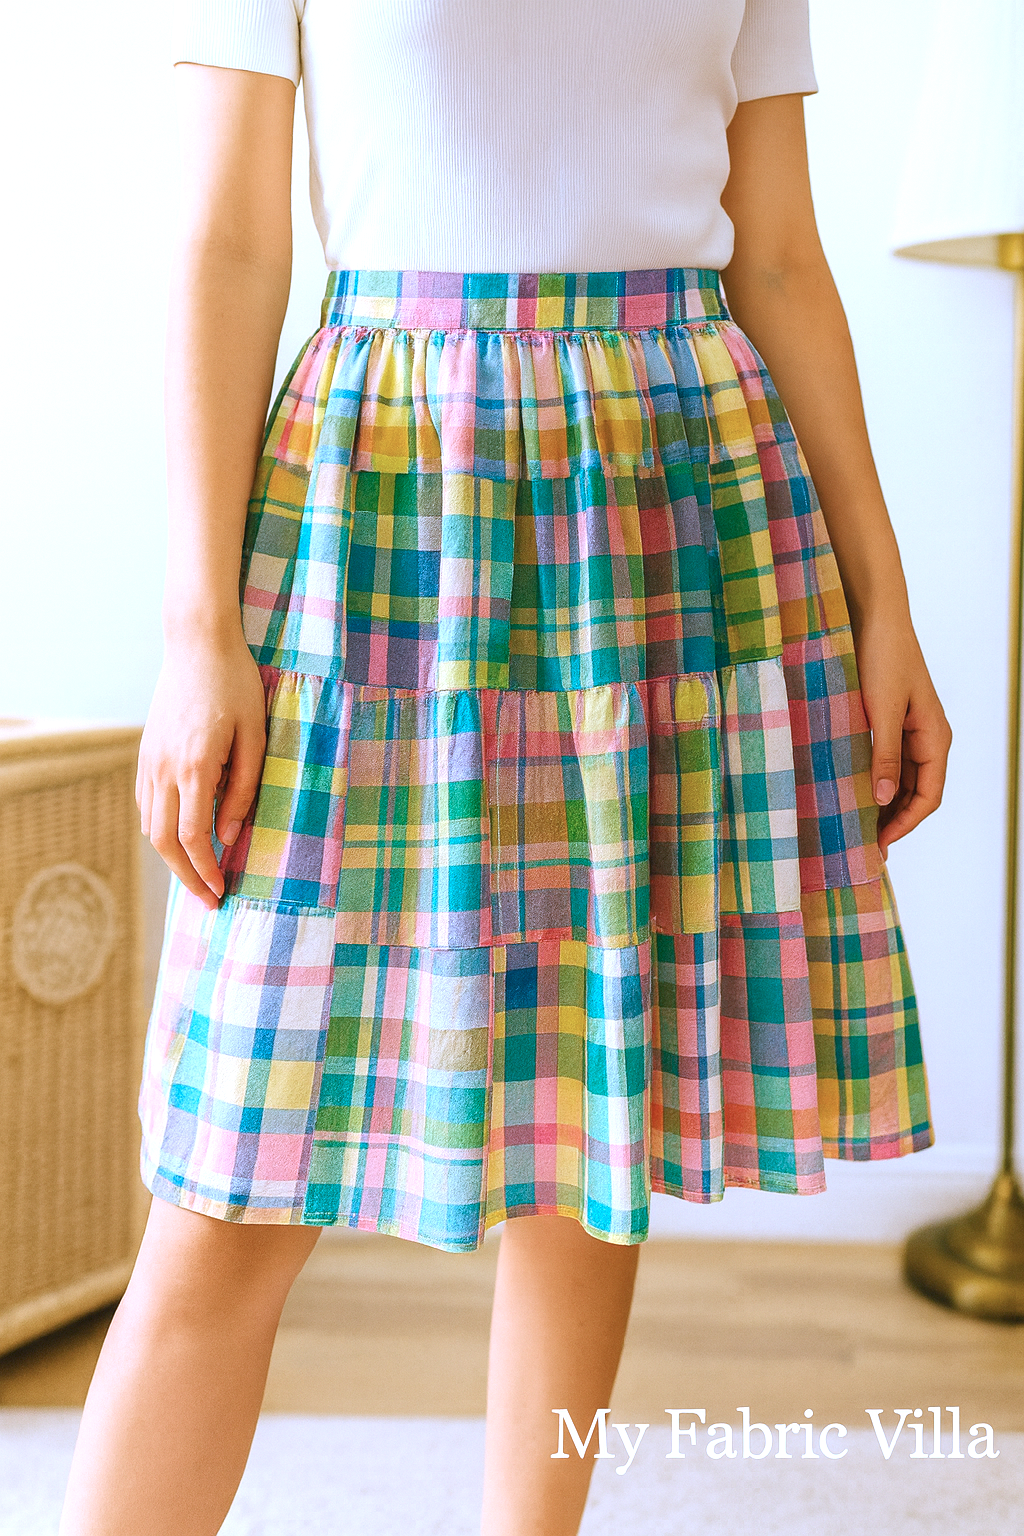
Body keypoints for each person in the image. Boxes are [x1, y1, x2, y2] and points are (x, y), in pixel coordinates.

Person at [59, 3, 952, 1533]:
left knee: (588, 1138)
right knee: (228, 1180)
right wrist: (198, 626)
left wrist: (888, 603)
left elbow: (783, 250)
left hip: (679, 492)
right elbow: (227, 238)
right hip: (390, 496)